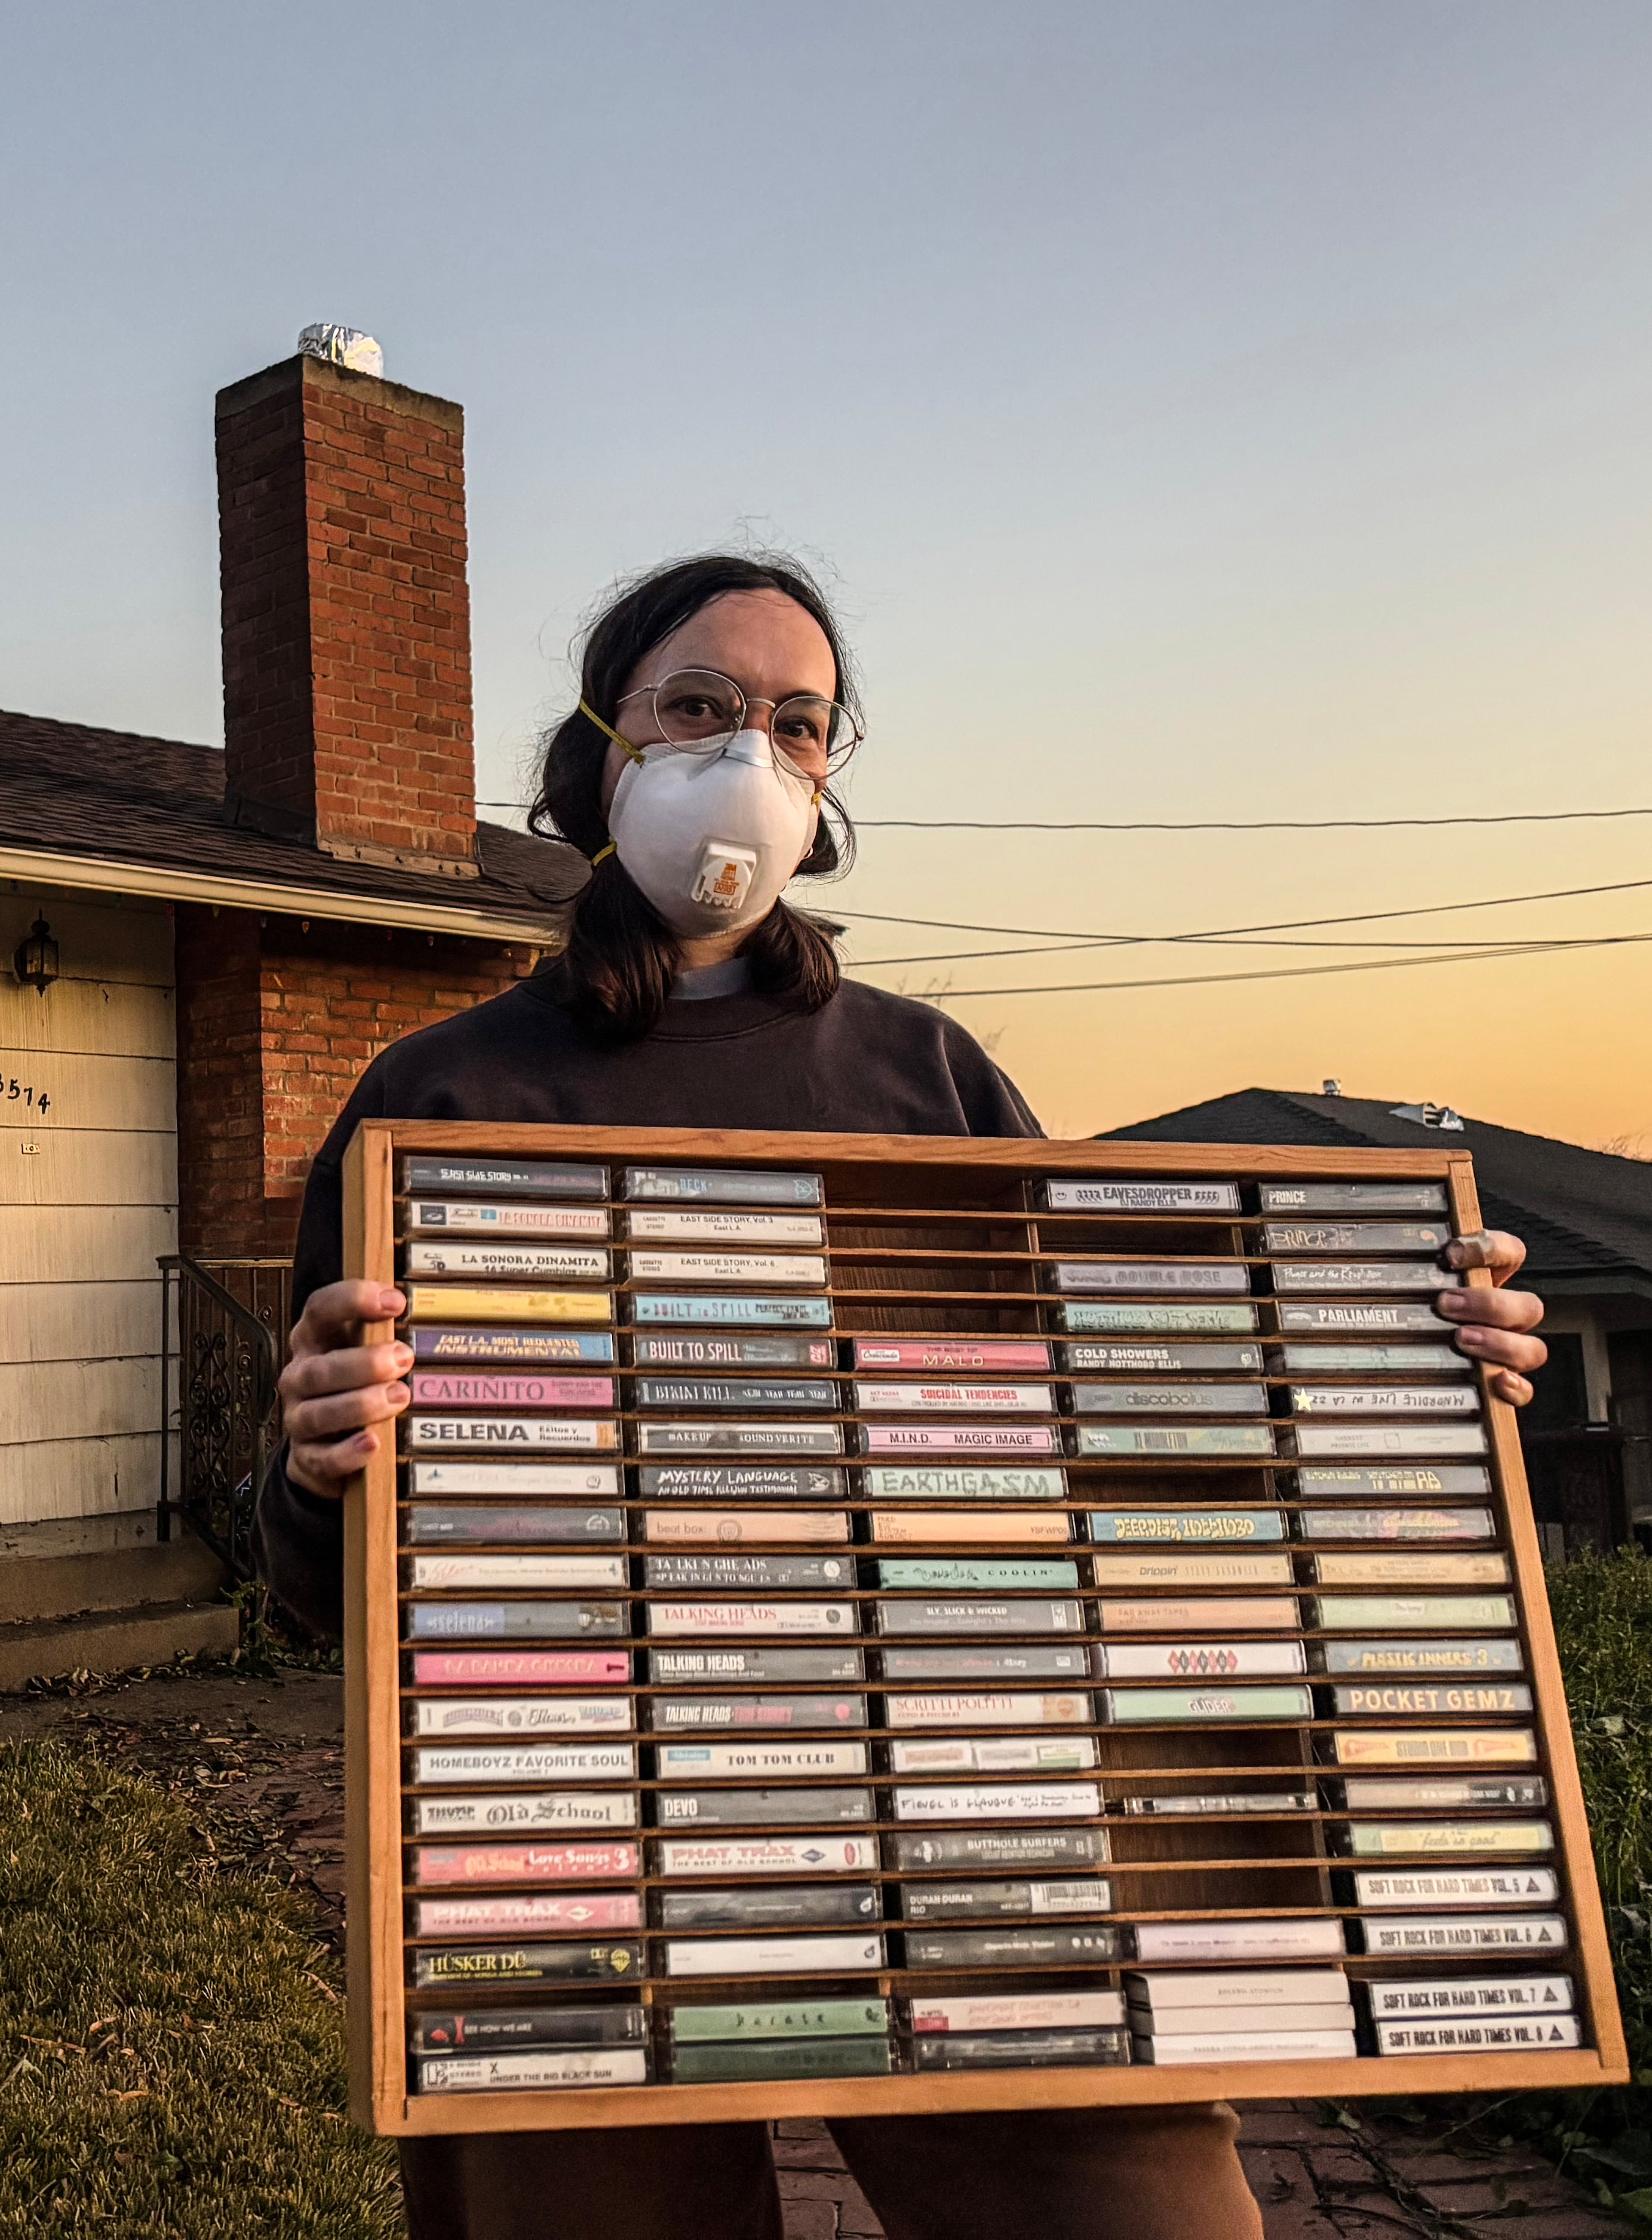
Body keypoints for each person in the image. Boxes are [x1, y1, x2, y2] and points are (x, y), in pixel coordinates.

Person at [254, 552, 1550, 2240]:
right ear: (602, 751)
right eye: (700, 709)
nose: (751, 757)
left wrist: (1408, 1366)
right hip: (569, 1844)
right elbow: (304, 1585)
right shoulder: (445, 1095)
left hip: (971, 1823)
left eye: (800, 727)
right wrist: (313, 1470)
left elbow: (1142, 1442)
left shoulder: (927, 1074)